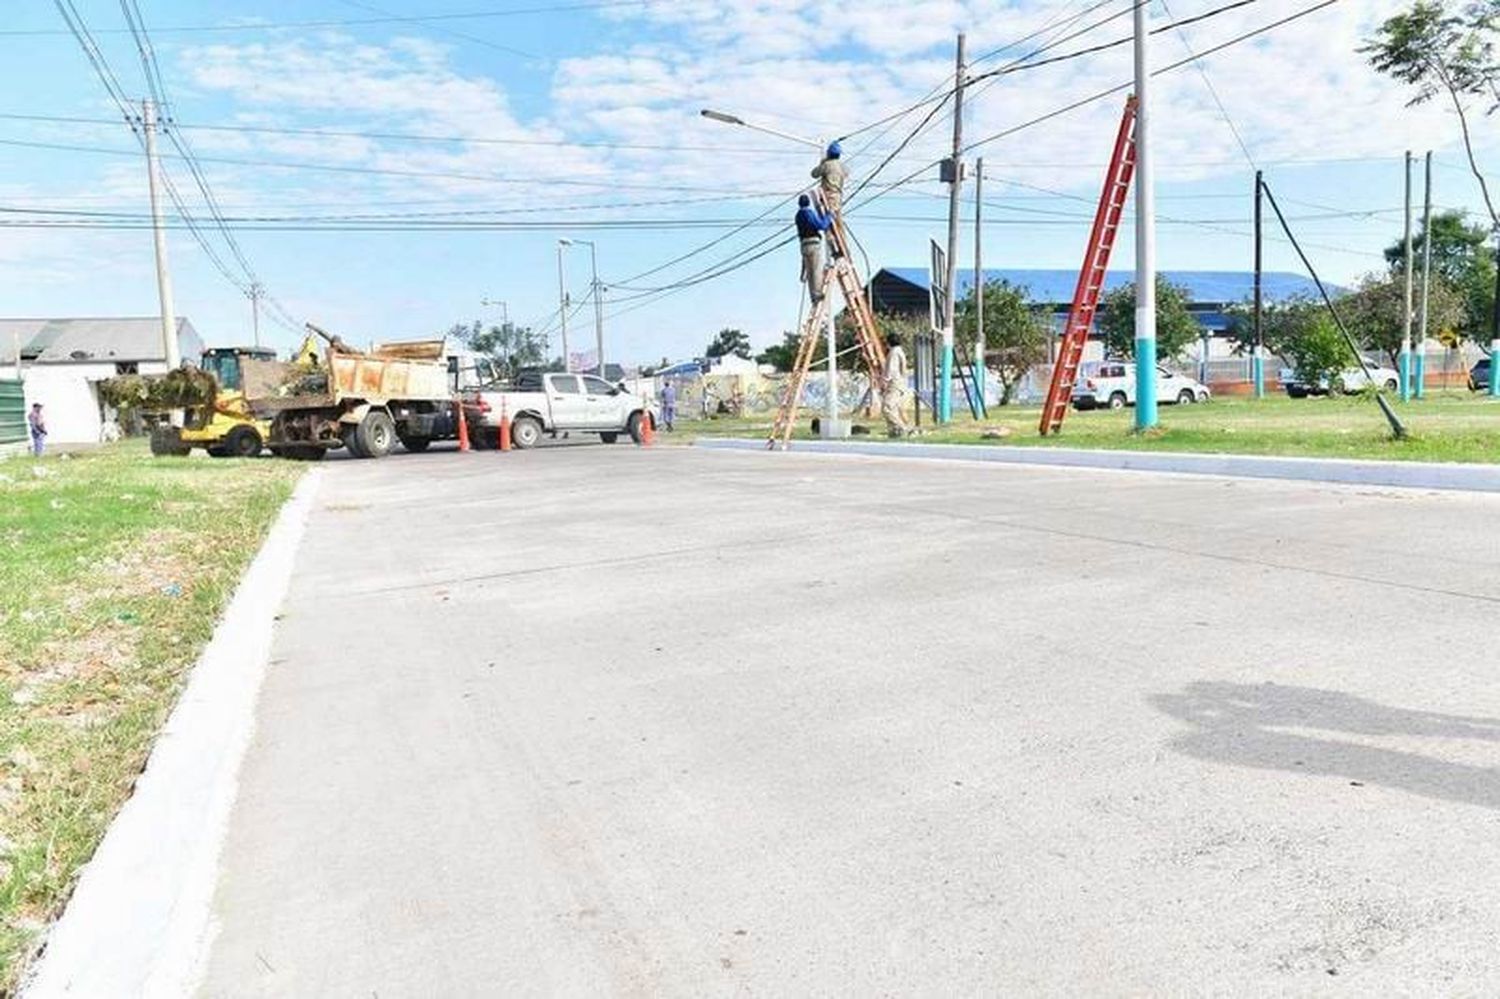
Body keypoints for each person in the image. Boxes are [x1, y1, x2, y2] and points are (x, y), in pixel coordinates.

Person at [795, 194, 833, 305]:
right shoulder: (808, 213)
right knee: (816, 270)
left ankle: (813, 297)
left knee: (810, 272)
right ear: (808, 203)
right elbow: (821, 225)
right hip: (813, 244)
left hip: (803, 245)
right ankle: (817, 293)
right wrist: (829, 216)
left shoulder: (798, 216)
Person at [881, 333, 912, 437]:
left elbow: (892, 370)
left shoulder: (893, 353)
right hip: (901, 383)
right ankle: (894, 432)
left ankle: (903, 428)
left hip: (894, 383)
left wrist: (884, 381)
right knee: (893, 409)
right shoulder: (900, 351)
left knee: (887, 408)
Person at [811, 141, 848, 217]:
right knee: (836, 218)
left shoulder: (826, 165)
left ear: (829, 154)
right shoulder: (842, 166)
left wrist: (823, 162)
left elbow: (814, 174)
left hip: (827, 195)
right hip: (838, 195)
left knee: (828, 219)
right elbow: (846, 174)